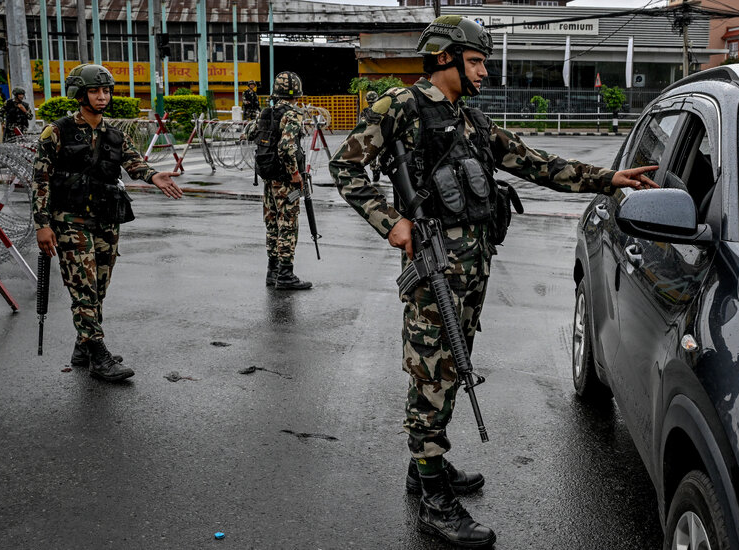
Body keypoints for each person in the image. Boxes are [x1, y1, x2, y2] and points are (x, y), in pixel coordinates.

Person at [329, 15, 657, 548]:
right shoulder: (400, 107)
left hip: (472, 268)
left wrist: (607, 178)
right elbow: (346, 168)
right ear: (445, 58)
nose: (486, 70)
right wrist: (393, 223)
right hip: (434, 267)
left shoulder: (473, 122)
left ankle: (425, 468)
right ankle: (434, 500)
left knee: (454, 366)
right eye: (477, 61)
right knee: (432, 372)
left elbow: (533, 163)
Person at [32, 63, 183, 382]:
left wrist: (154, 175)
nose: (103, 96)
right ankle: (98, 354)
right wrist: (42, 224)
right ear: (79, 93)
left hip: (105, 218)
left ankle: (82, 345)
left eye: (106, 90)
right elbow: (41, 180)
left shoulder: (115, 134)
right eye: (95, 90)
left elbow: (133, 162)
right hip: (70, 221)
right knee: (82, 287)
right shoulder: (56, 132)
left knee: (99, 285)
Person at [253, 71, 312, 290]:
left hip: (268, 178)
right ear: (297, 92)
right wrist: (295, 174)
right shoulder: (293, 114)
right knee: (287, 224)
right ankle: (286, 275)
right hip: (285, 181)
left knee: (271, 224)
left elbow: (251, 133)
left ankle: (273, 271)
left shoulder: (267, 112)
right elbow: (287, 147)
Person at [361, 90, 382, 182]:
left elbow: (362, 125)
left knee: (373, 155)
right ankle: (377, 169)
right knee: (381, 155)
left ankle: (375, 170)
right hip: (380, 136)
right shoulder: (381, 109)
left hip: (372, 137)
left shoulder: (365, 111)